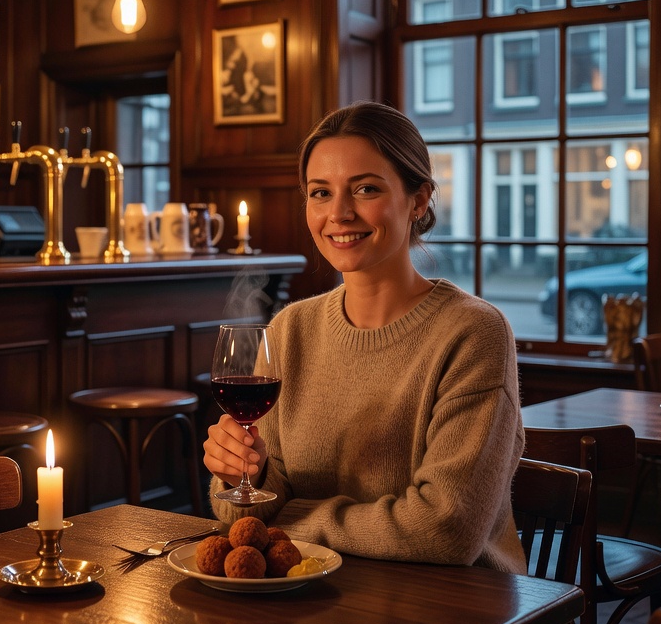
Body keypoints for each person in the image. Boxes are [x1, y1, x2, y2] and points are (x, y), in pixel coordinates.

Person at [203, 101, 526, 575]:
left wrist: (295, 521)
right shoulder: (291, 329)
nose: (339, 214)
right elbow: (245, 521)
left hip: (456, 616)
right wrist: (243, 473)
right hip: (317, 599)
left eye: (366, 189)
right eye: (320, 193)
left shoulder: (473, 333)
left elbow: (447, 529)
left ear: (418, 200)